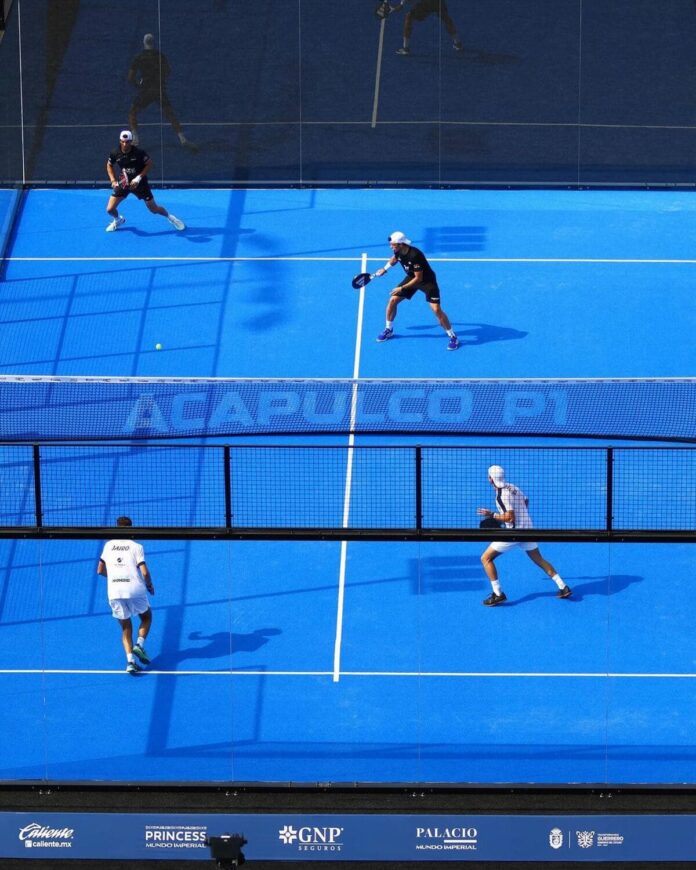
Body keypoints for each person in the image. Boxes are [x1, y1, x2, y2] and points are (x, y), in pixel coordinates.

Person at [476, 465, 572, 607]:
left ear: (491, 479)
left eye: (488, 476)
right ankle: (563, 587)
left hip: (513, 534)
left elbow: (509, 518)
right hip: (528, 529)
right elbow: (526, 501)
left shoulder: (501, 495)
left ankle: (498, 594)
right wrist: (522, 517)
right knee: (539, 559)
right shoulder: (512, 487)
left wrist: (492, 515)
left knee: (485, 558)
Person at [374, 231, 460, 350]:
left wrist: (402, 288)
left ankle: (453, 337)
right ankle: (389, 329)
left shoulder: (415, 255)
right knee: (392, 301)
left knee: (436, 310)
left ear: (401, 244)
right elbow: (394, 259)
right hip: (411, 277)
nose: (391, 246)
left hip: (427, 282)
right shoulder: (397, 250)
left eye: (393, 244)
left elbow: (418, 278)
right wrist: (385, 269)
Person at [97, 516, 155, 674]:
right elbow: (144, 572)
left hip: (115, 591)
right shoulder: (137, 546)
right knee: (146, 617)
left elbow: (100, 570)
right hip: (135, 589)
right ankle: (139, 645)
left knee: (126, 627)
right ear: (131, 529)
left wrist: (116, 577)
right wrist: (149, 585)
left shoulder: (108, 546)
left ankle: (130, 662)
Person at [127, 33, 198, 152]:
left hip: (145, 90)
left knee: (132, 113)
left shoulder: (139, 57)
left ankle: (135, 139)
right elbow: (168, 71)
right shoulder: (160, 56)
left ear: (143, 42)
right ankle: (183, 139)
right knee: (170, 114)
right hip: (159, 89)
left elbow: (130, 77)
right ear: (153, 42)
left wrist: (138, 85)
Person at [105, 129, 185, 232]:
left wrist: (138, 178)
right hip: (124, 183)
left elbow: (149, 164)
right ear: (120, 141)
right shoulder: (115, 152)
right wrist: (112, 180)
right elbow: (109, 165)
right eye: (123, 141)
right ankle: (118, 220)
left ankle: (171, 218)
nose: (125, 144)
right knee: (110, 209)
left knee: (154, 209)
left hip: (140, 184)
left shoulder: (139, 153)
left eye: (127, 142)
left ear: (131, 141)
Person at [390, 0, 464, 56]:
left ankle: (405, 48)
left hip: (426, 3)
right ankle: (457, 43)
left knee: (409, 17)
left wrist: (399, 6)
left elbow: (406, 4)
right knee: (445, 18)